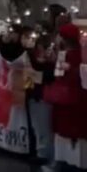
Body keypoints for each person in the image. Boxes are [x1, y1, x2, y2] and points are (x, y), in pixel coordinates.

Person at [43, 23, 87, 170]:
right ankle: (65, 160)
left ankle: (71, 162)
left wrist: (70, 69)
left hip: (73, 98)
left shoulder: (78, 53)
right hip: (69, 98)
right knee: (65, 130)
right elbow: (58, 73)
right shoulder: (65, 53)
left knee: (71, 129)